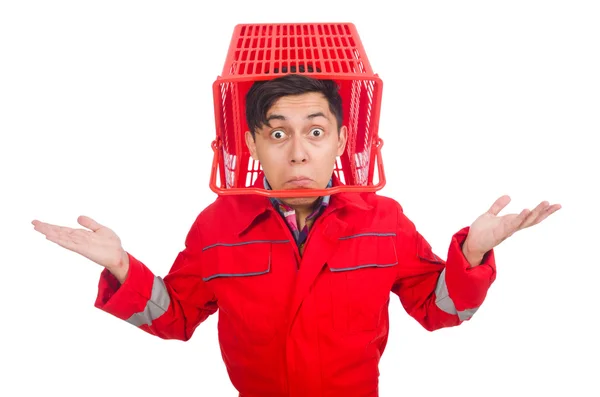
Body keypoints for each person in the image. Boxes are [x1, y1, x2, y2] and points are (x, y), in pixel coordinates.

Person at [31, 74, 561, 397]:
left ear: (341, 140)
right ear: (252, 144)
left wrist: (472, 253)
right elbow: (176, 317)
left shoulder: (385, 220)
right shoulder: (217, 225)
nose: (299, 153)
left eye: (315, 131)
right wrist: (124, 267)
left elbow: (439, 309)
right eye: (278, 133)